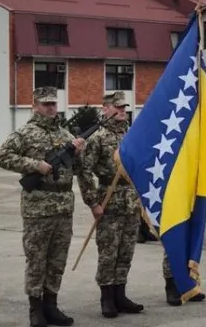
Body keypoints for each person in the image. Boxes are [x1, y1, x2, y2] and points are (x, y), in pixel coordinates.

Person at [0, 86, 85, 327]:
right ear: (35, 105)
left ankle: (51, 305)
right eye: (46, 104)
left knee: (57, 260)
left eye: (53, 104)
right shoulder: (25, 133)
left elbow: (77, 170)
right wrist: (35, 165)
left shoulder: (66, 135)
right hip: (37, 208)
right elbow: (3, 156)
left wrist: (78, 153)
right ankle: (35, 309)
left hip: (63, 207)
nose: (51, 108)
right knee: (36, 260)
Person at [77, 91, 144, 318]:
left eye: (125, 108)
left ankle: (120, 294)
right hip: (109, 199)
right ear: (105, 109)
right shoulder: (98, 138)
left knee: (126, 251)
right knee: (109, 252)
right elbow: (84, 172)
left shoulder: (132, 135)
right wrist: (93, 203)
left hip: (131, 200)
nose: (123, 111)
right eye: (118, 107)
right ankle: (106, 298)